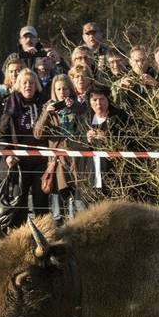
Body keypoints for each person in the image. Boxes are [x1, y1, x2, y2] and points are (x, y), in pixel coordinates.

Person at [0, 68, 51, 230]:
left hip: (41, 161)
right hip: (19, 162)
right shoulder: (11, 103)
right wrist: (8, 155)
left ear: (37, 85)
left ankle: (44, 236)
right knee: (19, 202)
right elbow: (0, 134)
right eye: (24, 83)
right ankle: (17, 238)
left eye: (32, 83)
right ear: (18, 85)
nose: (28, 86)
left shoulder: (44, 102)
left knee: (41, 202)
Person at [34, 74, 89, 223]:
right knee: (58, 208)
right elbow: (38, 134)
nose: (62, 92)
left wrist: (76, 108)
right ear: (54, 90)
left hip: (76, 162)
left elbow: (86, 129)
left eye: (65, 88)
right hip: (57, 163)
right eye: (59, 89)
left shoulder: (79, 107)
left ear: (70, 90)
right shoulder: (48, 108)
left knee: (79, 205)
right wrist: (46, 114)